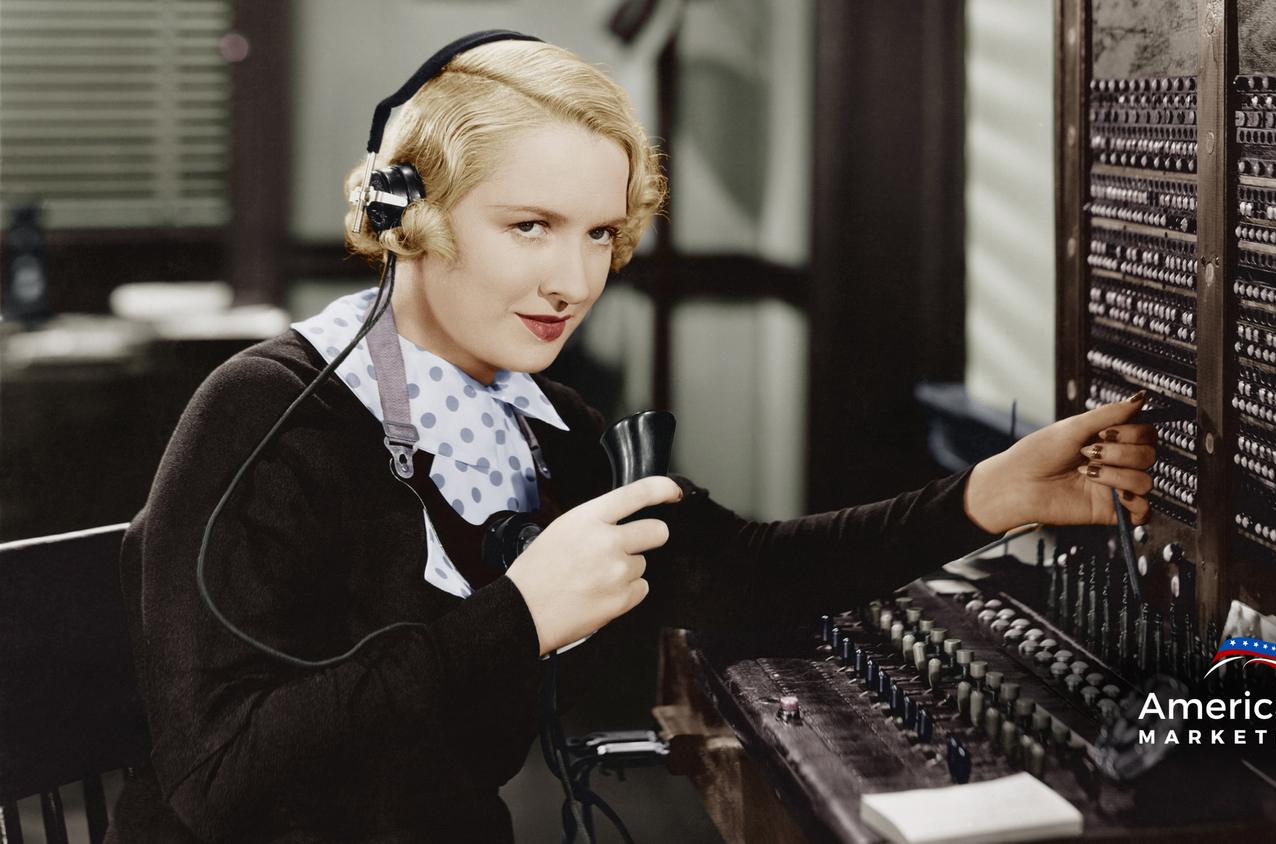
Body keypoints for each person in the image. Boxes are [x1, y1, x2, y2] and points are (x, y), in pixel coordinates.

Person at [106, 36, 1155, 844]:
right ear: (407, 217)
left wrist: (989, 497)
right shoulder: (262, 415)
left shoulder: (539, 423)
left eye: (600, 232)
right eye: (530, 226)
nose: (574, 280)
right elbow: (218, 780)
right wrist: (518, 617)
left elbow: (740, 568)